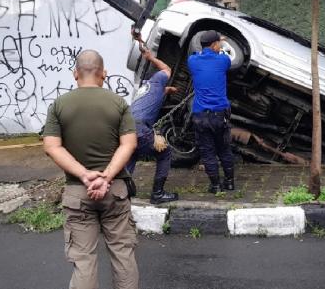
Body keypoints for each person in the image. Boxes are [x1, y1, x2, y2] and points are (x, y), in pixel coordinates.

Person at [42, 50, 139, 289]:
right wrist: (106, 177)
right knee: (122, 254)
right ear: (103, 74)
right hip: (114, 191)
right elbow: (130, 144)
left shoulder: (58, 105)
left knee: (83, 260)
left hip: (78, 194)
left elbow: (51, 147)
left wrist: (85, 175)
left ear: (75, 74)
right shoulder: (118, 103)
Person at [125, 35, 179, 204]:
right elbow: (167, 70)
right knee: (165, 153)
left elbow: (163, 91)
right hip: (141, 128)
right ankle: (158, 193)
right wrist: (151, 58)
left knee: (132, 154)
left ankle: (122, 190)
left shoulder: (145, 88)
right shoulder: (158, 81)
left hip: (126, 128)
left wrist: (168, 90)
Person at [187, 30, 235, 193]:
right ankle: (229, 183)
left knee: (208, 152)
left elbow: (198, 53)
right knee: (224, 149)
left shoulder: (192, 61)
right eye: (218, 43)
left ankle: (215, 186)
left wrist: (214, 43)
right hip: (219, 115)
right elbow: (227, 55)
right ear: (215, 45)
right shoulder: (222, 60)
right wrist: (221, 43)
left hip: (200, 115)